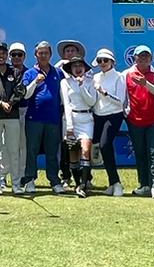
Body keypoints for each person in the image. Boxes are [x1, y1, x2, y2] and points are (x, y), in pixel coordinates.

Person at [0, 42, 27, 195]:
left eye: (3, 53)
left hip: (12, 115)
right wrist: (0, 102)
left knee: (14, 150)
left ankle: (16, 185)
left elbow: (20, 91)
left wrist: (10, 103)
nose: (1, 56)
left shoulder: (15, 72)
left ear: (7, 55)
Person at [22, 41, 65, 194]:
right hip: (34, 119)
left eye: (46, 53)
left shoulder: (58, 73)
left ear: (50, 54)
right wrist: (35, 82)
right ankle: (29, 180)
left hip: (53, 119)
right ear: (35, 55)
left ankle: (54, 181)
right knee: (31, 151)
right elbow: (25, 95)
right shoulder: (29, 73)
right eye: (40, 53)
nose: (43, 56)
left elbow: (64, 95)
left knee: (52, 152)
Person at [125, 45, 154, 198]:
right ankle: (144, 186)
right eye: (140, 56)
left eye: (146, 56)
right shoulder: (126, 74)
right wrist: (126, 112)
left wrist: (145, 84)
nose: (143, 58)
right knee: (140, 153)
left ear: (151, 58)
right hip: (134, 120)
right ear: (135, 58)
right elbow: (123, 96)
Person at [90, 47, 127, 196]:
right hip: (97, 116)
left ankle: (116, 183)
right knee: (94, 147)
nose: (102, 63)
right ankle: (110, 183)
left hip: (114, 115)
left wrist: (103, 92)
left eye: (105, 60)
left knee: (105, 145)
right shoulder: (95, 77)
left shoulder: (119, 77)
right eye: (100, 61)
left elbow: (120, 101)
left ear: (112, 62)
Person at [60, 55, 98, 197]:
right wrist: (69, 127)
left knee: (85, 151)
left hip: (86, 119)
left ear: (84, 68)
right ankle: (77, 184)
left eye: (80, 66)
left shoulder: (90, 81)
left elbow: (91, 102)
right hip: (71, 120)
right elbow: (66, 104)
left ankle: (83, 185)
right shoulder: (65, 82)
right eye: (74, 66)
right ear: (70, 68)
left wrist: (82, 86)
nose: (77, 68)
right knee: (73, 154)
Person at [8, 43, 32, 191]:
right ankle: (3, 177)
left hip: (25, 111)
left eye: (20, 54)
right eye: (14, 54)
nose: (16, 57)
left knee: (23, 146)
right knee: (6, 146)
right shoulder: (5, 71)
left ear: (24, 56)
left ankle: (22, 176)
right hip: (8, 112)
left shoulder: (29, 72)